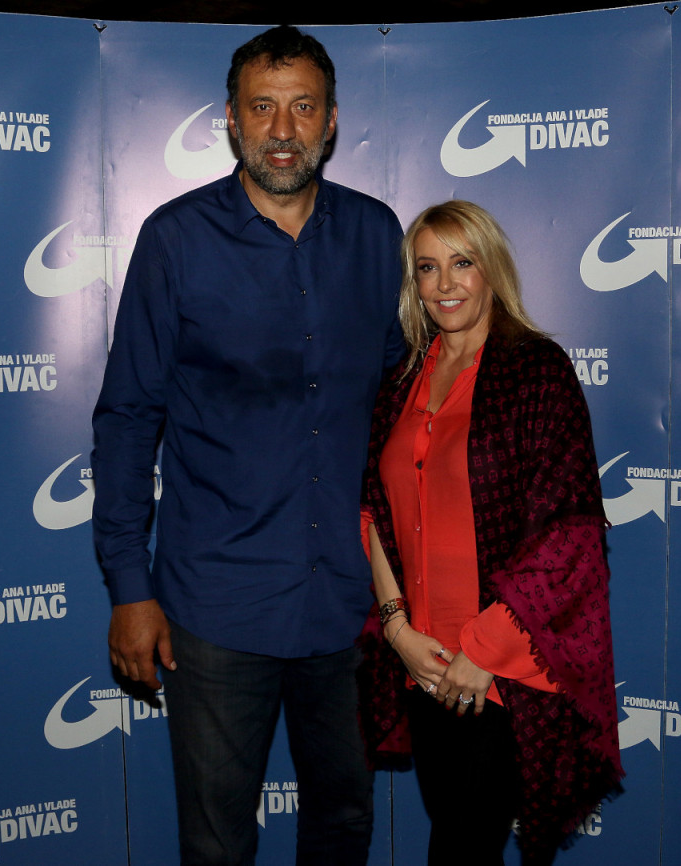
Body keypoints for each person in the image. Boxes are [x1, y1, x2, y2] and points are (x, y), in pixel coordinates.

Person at [91, 25, 404, 866]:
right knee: (217, 845)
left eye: (303, 107)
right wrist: (129, 586)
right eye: (262, 107)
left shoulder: (378, 236)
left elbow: (406, 404)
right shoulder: (176, 239)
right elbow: (128, 418)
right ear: (231, 120)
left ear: (332, 120)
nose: (283, 130)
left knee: (344, 826)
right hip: (216, 607)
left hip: (350, 607)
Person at [356, 201, 623, 865]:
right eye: (427, 268)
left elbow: (569, 536)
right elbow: (372, 513)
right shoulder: (401, 380)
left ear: (491, 270)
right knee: (457, 841)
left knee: (460, 850)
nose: (444, 283)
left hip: (500, 672)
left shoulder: (536, 371)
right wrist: (396, 629)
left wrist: (483, 651)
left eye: (461, 263)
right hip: (421, 665)